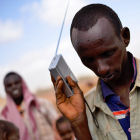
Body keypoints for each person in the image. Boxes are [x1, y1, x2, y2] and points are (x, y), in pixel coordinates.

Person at [51, 3, 140, 140]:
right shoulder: (84, 107)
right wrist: (78, 123)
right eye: (89, 60)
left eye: (108, 53)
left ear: (125, 37)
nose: (101, 69)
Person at [1, 72, 60, 140]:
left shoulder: (41, 104)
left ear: (22, 84)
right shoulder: (4, 116)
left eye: (16, 83)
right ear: (5, 89)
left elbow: (58, 125)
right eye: (9, 85)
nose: (14, 87)